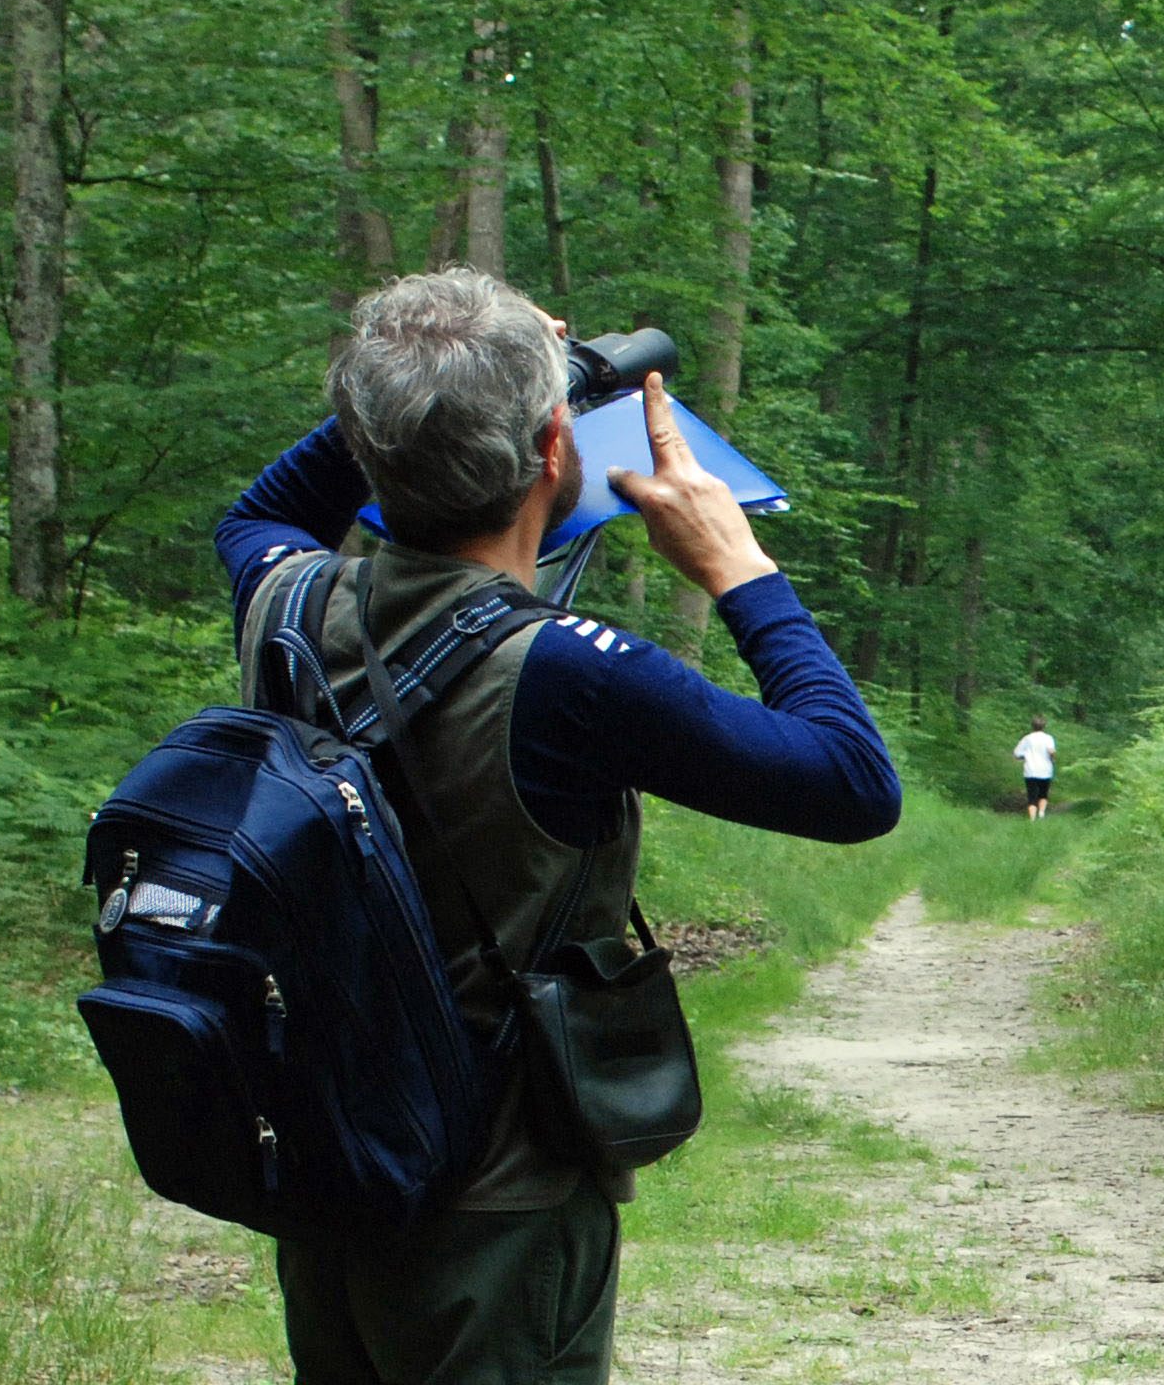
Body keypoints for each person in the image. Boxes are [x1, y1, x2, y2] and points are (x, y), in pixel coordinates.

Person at [212, 268, 900, 1385]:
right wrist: (737, 565)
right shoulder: (570, 675)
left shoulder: (284, 597)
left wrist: (422, 383)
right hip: (496, 1189)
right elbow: (851, 783)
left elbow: (261, 508)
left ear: (365, 443)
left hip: (333, 1142)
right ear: (550, 455)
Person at [1013, 715, 1056, 820]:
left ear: (1032, 726)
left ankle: (1032, 818)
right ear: (1044, 726)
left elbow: (1016, 753)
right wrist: (1053, 758)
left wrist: (1024, 757)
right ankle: (1041, 813)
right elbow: (1051, 751)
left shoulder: (1027, 738)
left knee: (1032, 795)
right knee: (1043, 794)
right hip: (1045, 770)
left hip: (1030, 770)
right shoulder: (1048, 738)